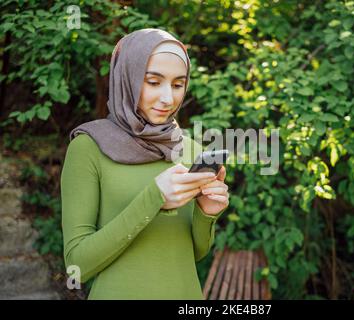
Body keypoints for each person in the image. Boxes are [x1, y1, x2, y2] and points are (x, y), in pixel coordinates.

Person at [61, 28, 229, 300]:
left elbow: (195, 253)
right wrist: (154, 198)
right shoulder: (88, 147)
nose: (168, 98)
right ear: (127, 78)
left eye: (177, 85)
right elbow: (77, 266)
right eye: (153, 82)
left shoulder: (191, 150)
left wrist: (207, 213)